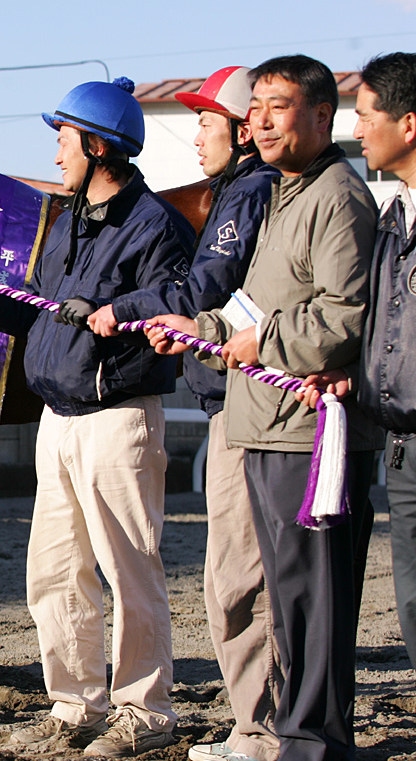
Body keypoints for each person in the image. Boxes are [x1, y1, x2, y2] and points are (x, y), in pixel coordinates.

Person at [0, 77, 194, 757]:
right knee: (53, 572)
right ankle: (74, 706)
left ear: (98, 146)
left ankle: (145, 713)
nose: (56, 154)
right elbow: (37, 308)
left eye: (62, 138)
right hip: (59, 418)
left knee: (128, 571)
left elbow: (174, 298)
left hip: (119, 419)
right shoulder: (68, 222)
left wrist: (126, 312)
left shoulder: (156, 225)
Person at [148, 55, 380, 761]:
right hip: (262, 423)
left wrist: (257, 340)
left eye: (278, 106)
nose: (262, 119)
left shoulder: (337, 197)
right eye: (257, 108)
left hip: (306, 433)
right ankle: (297, 737)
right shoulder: (281, 194)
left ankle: (309, 742)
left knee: (308, 603)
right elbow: (258, 305)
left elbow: (343, 317)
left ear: (321, 116)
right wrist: (203, 332)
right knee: (288, 599)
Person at [88, 67, 281, 761]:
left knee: (236, 581)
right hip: (233, 401)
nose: (197, 134)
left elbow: (204, 287)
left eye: (206, 121)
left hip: (247, 406)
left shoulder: (246, 193)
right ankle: (261, 724)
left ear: (240, 129)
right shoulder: (240, 191)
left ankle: (262, 729)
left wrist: (132, 308)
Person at [349, 52, 416, 673]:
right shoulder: (394, 218)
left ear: (409, 125)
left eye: (367, 115)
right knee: (413, 600)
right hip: (402, 442)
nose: (357, 129)